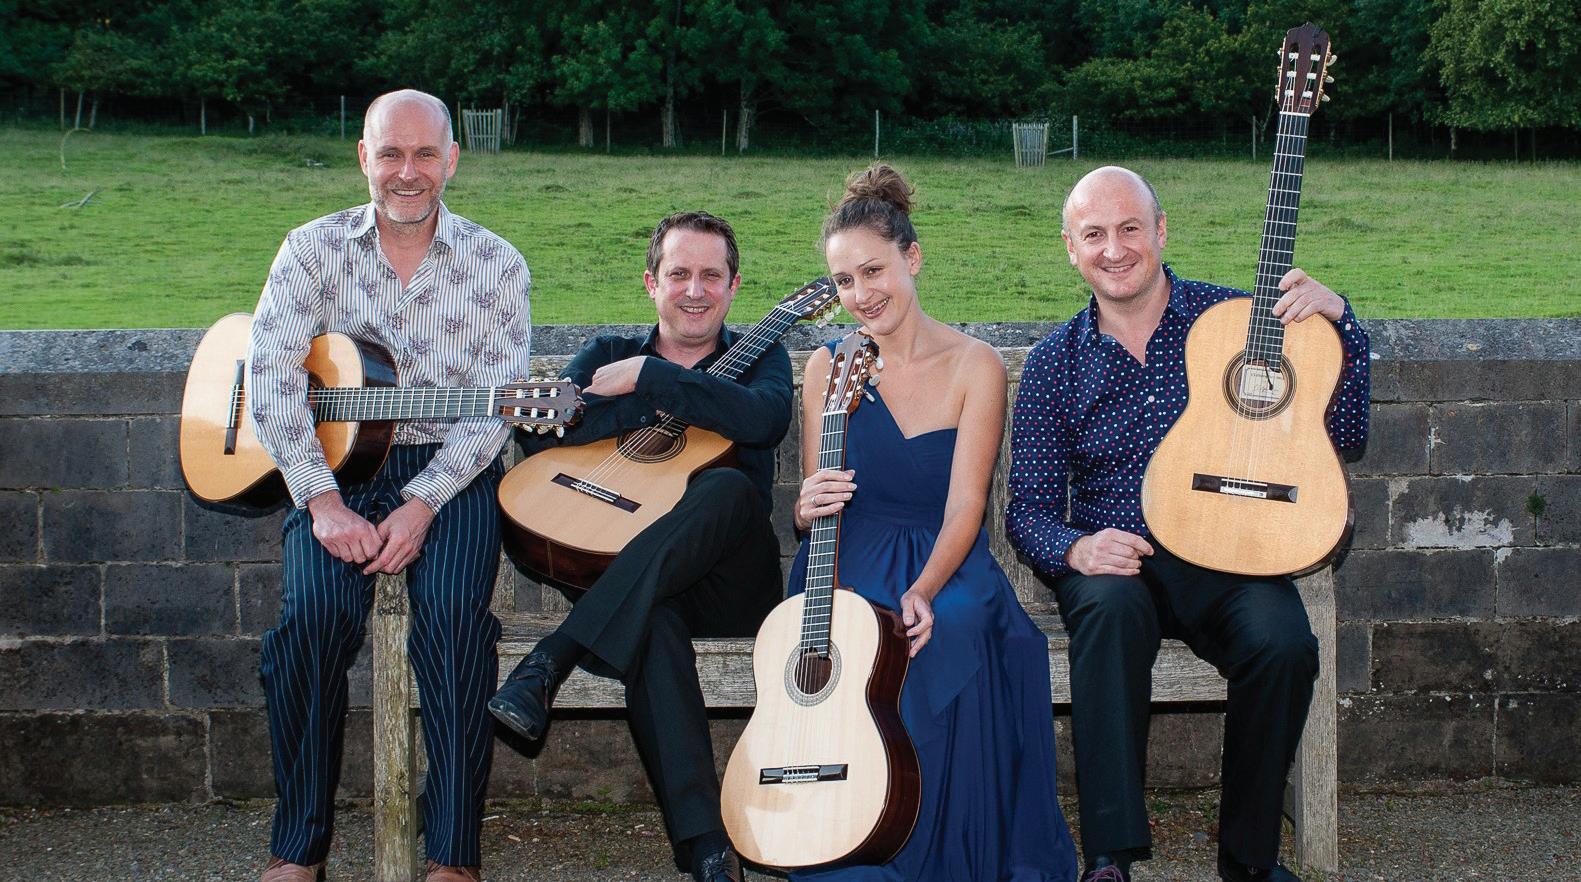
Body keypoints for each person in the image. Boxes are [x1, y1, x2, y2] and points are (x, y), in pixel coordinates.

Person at [1006, 166, 1371, 882]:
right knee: (1108, 613)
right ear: (1071, 249)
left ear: (1161, 230)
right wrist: (1076, 548)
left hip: (1226, 549)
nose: (1115, 249)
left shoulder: (1238, 323)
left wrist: (1343, 326)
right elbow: (1029, 508)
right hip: (1119, 556)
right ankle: (1109, 857)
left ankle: (1249, 860)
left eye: (1130, 228)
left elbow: (1346, 436)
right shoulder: (1055, 363)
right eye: (1094, 234)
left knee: (1283, 643)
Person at [246, 89, 532, 882]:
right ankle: (298, 849)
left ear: (452, 160)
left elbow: (495, 408)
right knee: (311, 621)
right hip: (332, 467)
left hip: (451, 470)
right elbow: (269, 377)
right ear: (363, 158)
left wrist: (423, 501)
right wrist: (320, 499)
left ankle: (453, 857)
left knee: (453, 625)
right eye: (391, 154)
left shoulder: (497, 263)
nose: (409, 172)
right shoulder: (310, 249)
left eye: (425, 154)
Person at [788, 164, 1078, 882]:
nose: (862, 294)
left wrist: (923, 587)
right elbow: (815, 497)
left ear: (911, 258)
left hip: (943, 552)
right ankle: (854, 837)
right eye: (844, 281)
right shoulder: (826, 366)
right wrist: (803, 505)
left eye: (874, 271)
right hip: (847, 552)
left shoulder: (974, 365)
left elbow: (966, 507)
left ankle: (948, 853)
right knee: (858, 638)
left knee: (956, 623)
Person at [487, 211, 789, 882]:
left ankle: (551, 658)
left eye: (711, 275)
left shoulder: (761, 358)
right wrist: (641, 395)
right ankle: (707, 849)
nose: (694, 291)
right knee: (651, 620)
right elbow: (549, 433)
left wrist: (651, 379)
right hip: (627, 580)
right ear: (651, 282)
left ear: (734, 285)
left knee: (728, 488)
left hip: (730, 588)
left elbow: (763, 420)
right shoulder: (605, 352)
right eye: (679, 274)